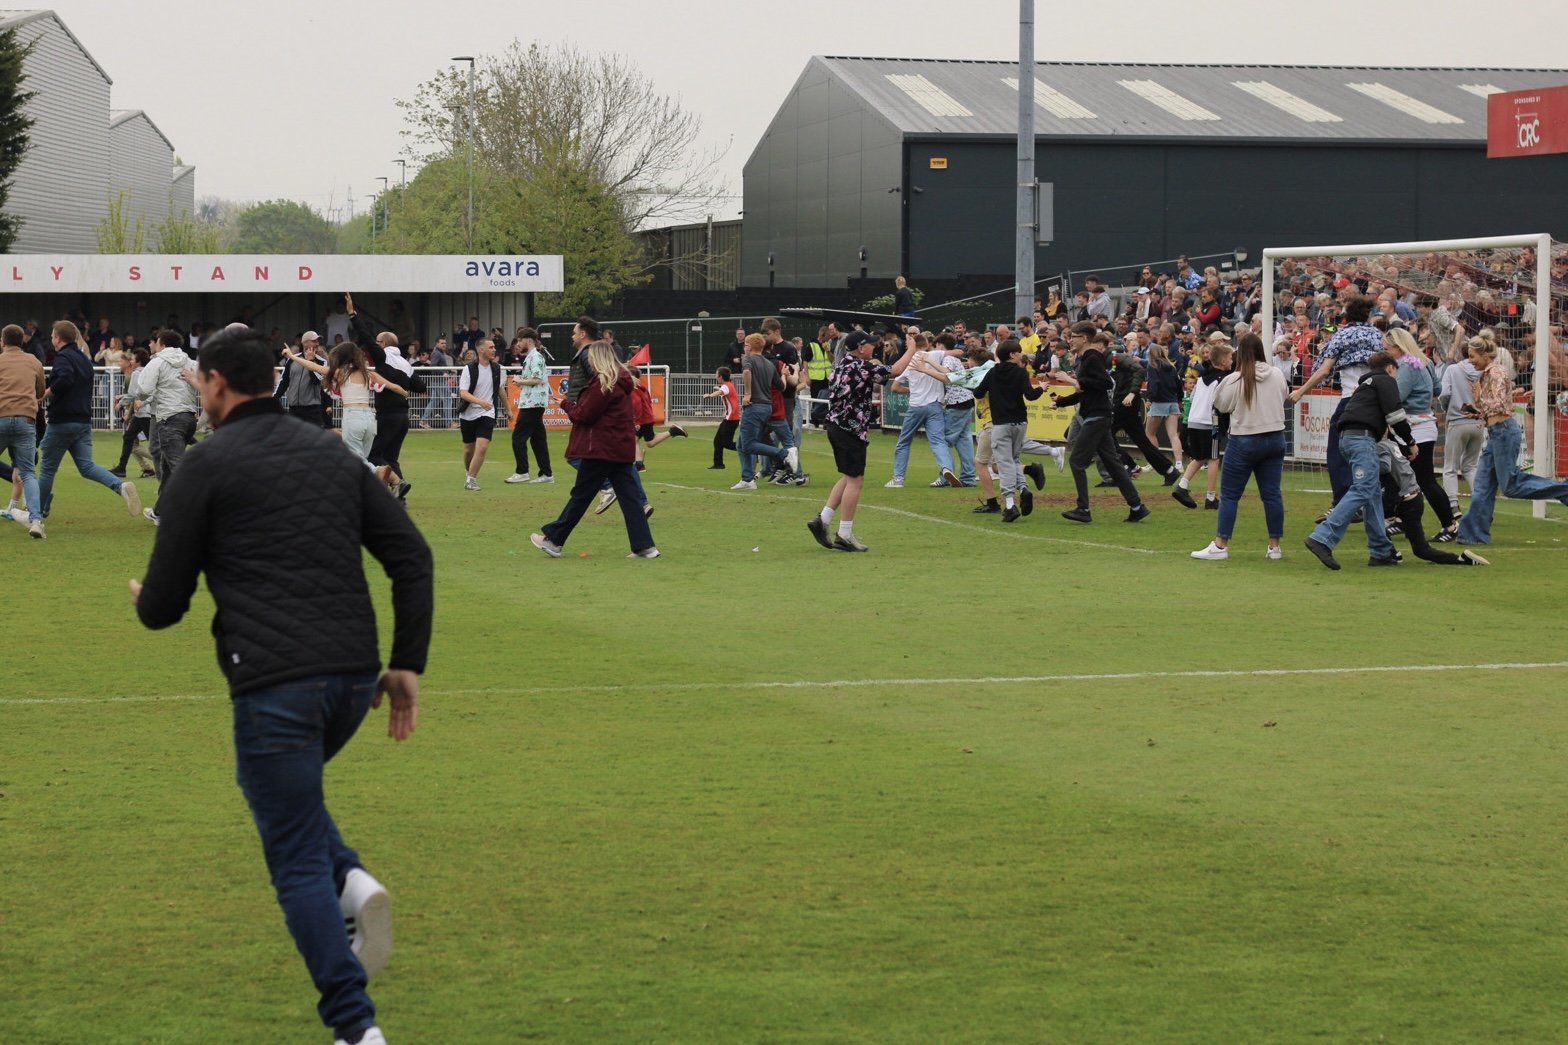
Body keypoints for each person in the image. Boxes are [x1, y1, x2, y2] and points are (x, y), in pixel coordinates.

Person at [131, 326, 432, 1045]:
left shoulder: (204, 465)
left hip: (274, 684)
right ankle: (350, 878)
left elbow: (164, 608)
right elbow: (411, 557)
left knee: (291, 853)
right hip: (352, 680)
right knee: (282, 798)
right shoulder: (330, 454)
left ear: (213, 384)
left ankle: (355, 1026)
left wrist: (145, 595)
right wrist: (406, 662)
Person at [530, 342, 659, 559]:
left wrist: (565, 404)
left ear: (598, 358)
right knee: (630, 498)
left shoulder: (604, 383)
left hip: (600, 448)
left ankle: (554, 540)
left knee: (581, 495)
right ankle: (645, 546)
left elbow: (584, 414)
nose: (588, 360)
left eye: (590, 356)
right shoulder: (620, 381)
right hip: (620, 447)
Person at [805, 330, 918, 552]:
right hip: (850, 429)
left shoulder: (842, 364)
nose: (875, 347)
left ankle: (823, 519)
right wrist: (911, 349)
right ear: (861, 347)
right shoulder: (860, 366)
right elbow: (895, 370)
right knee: (856, 481)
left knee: (850, 477)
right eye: (871, 344)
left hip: (837, 426)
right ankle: (844, 534)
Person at [1303, 351, 1413, 570]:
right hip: (1362, 439)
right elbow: (1396, 416)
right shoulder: (1385, 381)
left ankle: (1381, 550)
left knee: (1372, 494)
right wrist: (1410, 441)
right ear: (1390, 367)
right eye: (1396, 371)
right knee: (1363, 489)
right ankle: (1322, 537)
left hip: (1347, 439)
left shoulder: (1364, 385)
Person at [1454, 335, 1568, 545]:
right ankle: (1472, 535)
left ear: (1485, 355)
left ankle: (1564, 489)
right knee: (1482, 485)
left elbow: (1497, 404)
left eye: (1472, 356)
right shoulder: (1486, 375)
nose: (1470, 361)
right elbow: (1492, 409)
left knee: (1511, 486)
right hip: (1496, 432)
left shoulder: (1497, 372)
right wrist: (1474, 409)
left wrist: (1479, 398)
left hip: (1504, 432)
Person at [1190, 333, 1289, 561]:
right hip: (1275, 437)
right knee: (1272, 495)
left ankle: (1221, 544)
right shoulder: (1276, 374)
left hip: (1245, 438)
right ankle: (1274, 546)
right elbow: (1283, 395)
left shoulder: (1236, 378)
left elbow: (1221, 405)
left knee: (1230, 495)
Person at [36, 320, 142, 527]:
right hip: (83, 421)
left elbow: (65, 378)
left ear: (58, 338)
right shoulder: (84, 359)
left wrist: (46, 393)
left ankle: (36, 513)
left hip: (62, 420)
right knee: (86, 466)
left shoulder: (63, 357)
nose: (51, 338)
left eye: (52, 335)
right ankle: (120, 487)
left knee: (47, 469)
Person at [1290, 295, 1383, 514]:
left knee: (1337, 450)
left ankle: (1343, 502)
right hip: (1376, 400)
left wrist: (1301, 391)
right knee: (1373, 452)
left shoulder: (1343, 335)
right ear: (1367, 315)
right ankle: (1377, 500)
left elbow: (1323, 370)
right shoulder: (1377, 335)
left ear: (1347, 316)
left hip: (1352, 399)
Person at [1052, 326, 1148, 524]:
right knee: (1113, 464)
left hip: (1097, 416)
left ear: (1084, 338)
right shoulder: (1087, 359)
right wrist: (1061, 402)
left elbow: (1105, 383)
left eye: (1074, 337)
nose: (1070, 340)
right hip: (1099, 415)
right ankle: (1137, 506)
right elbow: (1087, 391)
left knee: (1077, 461)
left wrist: (1073, 381)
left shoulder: (1091, 357)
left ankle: (1083, 509)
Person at [1386, 326, 1458, 540]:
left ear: (1399, 347)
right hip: (1423, 423)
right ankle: (1402, 519)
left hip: (1415, 426)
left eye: (1387, 348)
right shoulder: (1424, 362)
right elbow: (1437, 389)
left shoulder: (1406, 366)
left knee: (1424, 480)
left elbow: (1396, 396)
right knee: (1400, 477)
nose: (1385, 352)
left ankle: (1450, 525)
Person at [969, 340, 1043, 522]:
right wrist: (1041, 388)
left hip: (1001, 423)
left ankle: (1010, 504)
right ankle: (1023, 489)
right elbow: (1030, 396)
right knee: (1014, 460)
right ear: (1012, 355)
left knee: (1004, 463)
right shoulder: (1021, 372)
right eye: (1019, 352)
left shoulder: (993, 372)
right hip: (1020, 422)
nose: (1021, 355)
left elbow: (978, 393)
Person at [885, 332, 960, 490]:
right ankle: (946, 469)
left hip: (916, 406)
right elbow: (958, 352)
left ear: (910, 346)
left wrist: (911, 390)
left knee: (904, 442)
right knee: (938, 441)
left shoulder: (909, 362)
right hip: (935, 405)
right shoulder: (935, 354)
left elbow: (895, 387)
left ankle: (898, 479)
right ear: (926, 345)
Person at [365, 332, 423, 501]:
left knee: (373, 455)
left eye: (377, 342)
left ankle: (398, 483)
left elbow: (366, 338)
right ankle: (399, 496)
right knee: (391, 458)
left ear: (383, 343)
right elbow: (420, 386)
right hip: (403, 417)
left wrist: (353, 318)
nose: (375, 345)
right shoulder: (405, 363)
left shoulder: (383, 357)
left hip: (387, 415)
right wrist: (402, 382)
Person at [0, 323, 45, 538]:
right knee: (28, 473)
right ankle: (35, 520)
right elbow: (40, 391)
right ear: (22, 341)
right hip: (26, 420)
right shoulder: (34, 361)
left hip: (1, 417)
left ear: (3, 341)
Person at [505, 327, 553, 485]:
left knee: (518, 437)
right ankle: (546, 473)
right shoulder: (531, 357)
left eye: (520, 340)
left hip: (533, 403)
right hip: (534, 402)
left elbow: (537, 379)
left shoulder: (535, 357)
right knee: (538, 440)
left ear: (529, 340)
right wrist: (522, 381)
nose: (517, 344)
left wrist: (520, 380)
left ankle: (522, 472)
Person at [457, 338, 502, 490]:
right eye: (491, 347)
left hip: (488, 413)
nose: (494, 350)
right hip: (468, 414)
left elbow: (499, 389)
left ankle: (471, 479)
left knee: (482, 447)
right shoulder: (468, 369)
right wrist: (480, 402)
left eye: (494, 347)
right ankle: (468, 472)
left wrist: (508, 409)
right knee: (468, 449)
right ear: (481, 350)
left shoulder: (496, 368)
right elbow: (463, 393)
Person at [110, 348, 157, 480]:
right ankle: (122, 467)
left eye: (133, 359)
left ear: (138, 361)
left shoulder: (136, 373)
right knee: (129, 437)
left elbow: (132, 394)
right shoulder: (149, 371)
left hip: (142, 412)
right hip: (145, 412)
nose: (131, 361)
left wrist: (121, 403)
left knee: (152, 443)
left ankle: (166, 463)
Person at [276, 331, 329, 426]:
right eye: (314, 341)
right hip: (294, 409)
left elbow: (316, 381)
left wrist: (310, 361)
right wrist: (274, 399)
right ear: (305, 343)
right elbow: (284, 381)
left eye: (318, 341)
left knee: (314, 435)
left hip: (312, 409)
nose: (317, 344)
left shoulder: (322, 362)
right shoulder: (292, 359)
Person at [702, 367, 740, 469]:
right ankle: (718, 464)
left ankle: (750, 449)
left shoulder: (726, 386)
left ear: (720, 376)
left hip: (731, 419)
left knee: (726, 443)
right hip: (730, 419)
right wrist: (719, 389)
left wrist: (709, 396)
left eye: (716, 374)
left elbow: (720, 392)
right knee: (717, 441)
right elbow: (723, 391)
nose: (715, 376)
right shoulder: (728, 385)